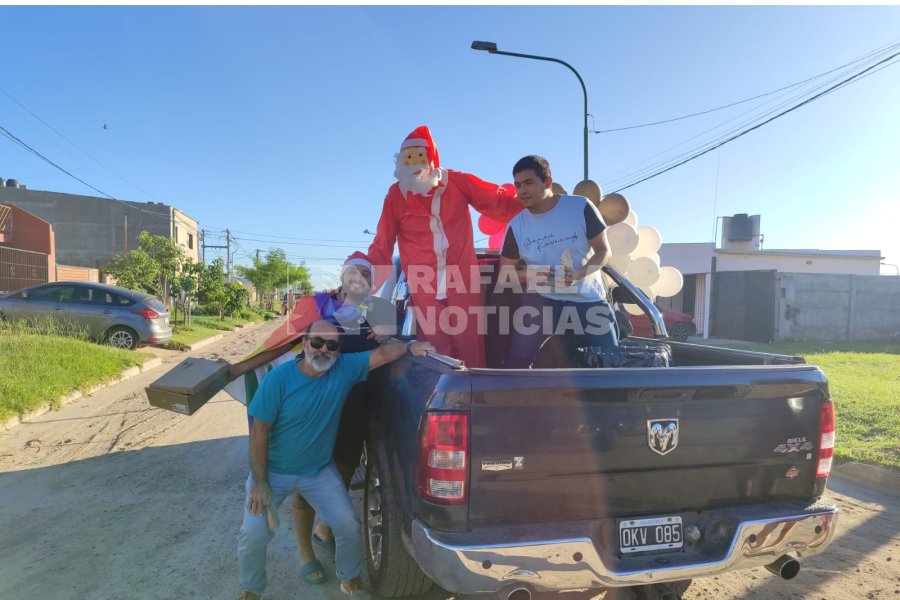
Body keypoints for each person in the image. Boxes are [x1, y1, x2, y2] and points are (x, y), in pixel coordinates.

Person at [227, 252, 398, 586]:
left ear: (372, 281)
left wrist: (391, 336)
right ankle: (306, 552)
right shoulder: (319, 307)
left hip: (353, 411)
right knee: (305, 486)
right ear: (343, 275)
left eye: (366, 272)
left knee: (341, 480)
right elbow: (284, 344)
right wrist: (238, 369)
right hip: (313, 408)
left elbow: (391, 348)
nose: (359, 277)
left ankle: (326, 527)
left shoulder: (381, 311)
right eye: (353, 271)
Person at [236, 320, 434, 600]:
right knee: (252, 535)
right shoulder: (279, 379)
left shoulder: (344, 369)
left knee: (348, 525)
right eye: (317, 342)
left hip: (317, 471)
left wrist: (411, 345)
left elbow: (386, 354)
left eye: (332, 345)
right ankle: (252, 589)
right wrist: (259, 481)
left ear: (339, 350)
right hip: (274, 472)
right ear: (304, 343)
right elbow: (259, 431)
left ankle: (350, 579)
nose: (323, 350)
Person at [366, 125, 522, 368]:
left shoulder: (457, 182)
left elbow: (497, 201)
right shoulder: (395, 196)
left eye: (420, 156)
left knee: (470, 344)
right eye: (409, 158)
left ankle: (474, 397)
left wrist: (540, 205)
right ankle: (442, 401)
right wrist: (359, 281)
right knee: (435, 349)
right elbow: (382, 245)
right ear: (400, 163)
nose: (415, 164)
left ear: (432, 158)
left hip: (461, 277)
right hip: (423, 284)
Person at [499, 155, 618, 368]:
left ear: (547, 182)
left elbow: (604, 251)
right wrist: (535, 274)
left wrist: (579, 273)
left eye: (528, 183)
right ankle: (516, 400)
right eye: (518, 185)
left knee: (611, 361)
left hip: (588, 299)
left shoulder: (580, 206)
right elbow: (505, 275)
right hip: (543, 301)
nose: (522, 191)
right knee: (517, 361)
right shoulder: (516, 226)